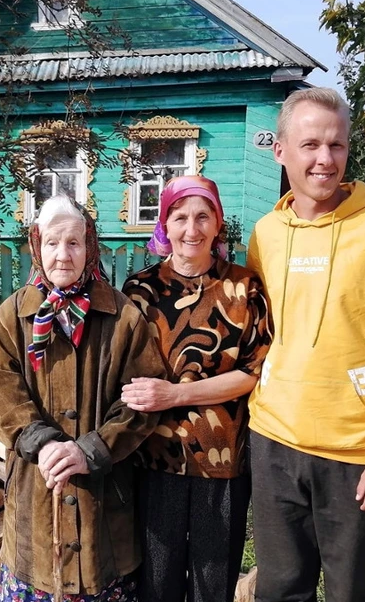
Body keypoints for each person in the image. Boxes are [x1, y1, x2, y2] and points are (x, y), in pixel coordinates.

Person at [247, 87, 365, 602]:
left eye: (337, 146)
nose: (325, 160)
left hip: (356, 455)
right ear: (281, 150)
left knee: (350, 593)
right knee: (279, 590)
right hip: (273, 444)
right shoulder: (265, 233)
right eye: (310, 145)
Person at [0, 195, 167, 601]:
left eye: (74, 243)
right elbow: (1, 394)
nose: (63, 256)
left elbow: (141, 400)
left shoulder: (123, 317)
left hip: (104, 511)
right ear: (36, 245)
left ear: (90, 246)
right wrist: (43, 443)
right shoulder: (11, 317)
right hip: (36, 504)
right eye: (52, 243)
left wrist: (92, 450)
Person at [119, 175, 271, 602]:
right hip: (153, 457)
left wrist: (176, 395)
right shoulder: (139, 291)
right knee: (156, 580)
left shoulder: (244, 287)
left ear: (218, 223)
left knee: (214, 582)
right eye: (180, 216)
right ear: (164, 226)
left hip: (222, 460)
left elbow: (252, 371)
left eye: (203, 216)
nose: (192, 229)